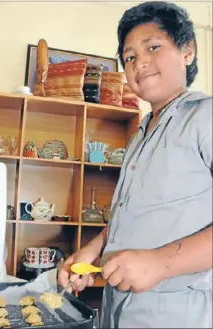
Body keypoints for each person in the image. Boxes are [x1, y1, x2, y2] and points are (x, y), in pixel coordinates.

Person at [58, 2, 212, 328]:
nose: (139, 62)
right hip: (119, 312)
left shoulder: (206, 116)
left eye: (153, 47)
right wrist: (92, 251)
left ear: (187, 51)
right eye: (129, 57)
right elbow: (131, 217)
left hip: (179, 314)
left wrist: (160, 263)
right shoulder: (139, 136)